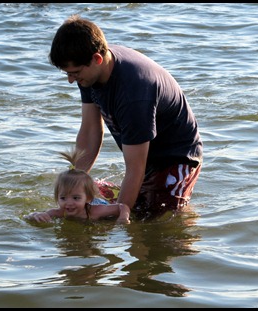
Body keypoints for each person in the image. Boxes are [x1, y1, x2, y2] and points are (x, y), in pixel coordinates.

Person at [49, 15, 203, 221]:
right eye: (67, 73)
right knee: (87, 200)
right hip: (142, 155)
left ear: (97, 59)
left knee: (152, 217)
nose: (70, 80)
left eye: (74, 73)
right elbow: (90, 131)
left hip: (176, 158)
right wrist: (72, 186)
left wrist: (119, 219)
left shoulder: (134, 93)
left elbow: (135, 167)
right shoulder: (89, 70)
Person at [24, 148, 130, 224]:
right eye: (63, 198)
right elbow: (29, 216)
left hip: (100, 202)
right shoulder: (59, 212)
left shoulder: (96, 211)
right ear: (57, 198)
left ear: (87, 198)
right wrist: (36, 216)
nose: (69, 203)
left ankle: (99, 188)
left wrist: (123, 218)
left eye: (75, 198)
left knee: (109, 193)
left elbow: (122, 206)